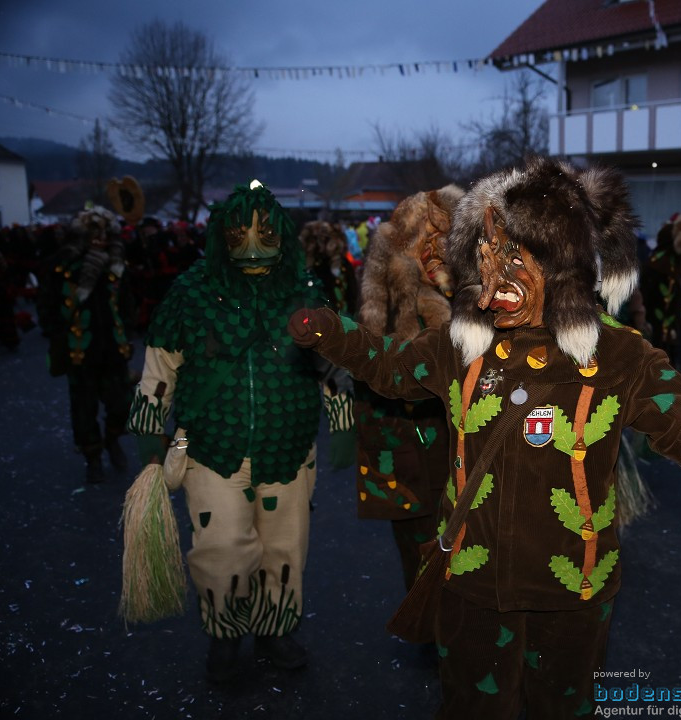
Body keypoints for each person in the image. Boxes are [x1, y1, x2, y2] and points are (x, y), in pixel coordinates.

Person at [290, 156, 681, 719]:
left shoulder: (617, 354)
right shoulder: (462, 342)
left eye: (514, 261)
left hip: (572, 592)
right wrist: (332, 333)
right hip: (473, 583)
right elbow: (392, 368)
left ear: (563, 261)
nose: (494, 288)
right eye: (486, 261)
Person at [126, 181, 354, 683]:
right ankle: (226, 635)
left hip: (290, 450)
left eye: (265, 235)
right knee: (221, 547)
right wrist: (149, 433)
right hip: (207, 449)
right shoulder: (190, 293)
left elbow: (334, 358)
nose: (253, 248)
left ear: (281, 236)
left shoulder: (307, 290)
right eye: (240, 236)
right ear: (222, 238)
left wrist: (343, 423)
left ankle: (274, 628)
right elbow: (160, 365)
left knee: (285, 547)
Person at [353, 185, 462, 590]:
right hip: (408, 433)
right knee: (419, 538)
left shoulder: (477, 287)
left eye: (445, 238)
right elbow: (370, 358)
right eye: (428, 240)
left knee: (468, 535)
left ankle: (457, 628)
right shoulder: (391, 287)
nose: (437, 249)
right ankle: (428, 622)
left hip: (465, 433)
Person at [37, 207, 135, 483]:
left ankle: (113, 439)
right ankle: (93, 456)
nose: (99, 238)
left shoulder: (117, 265)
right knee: (83, 409)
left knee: (121, 404)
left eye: (104, 233)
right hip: (80, 351)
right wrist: (57, 334)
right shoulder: (63, 267)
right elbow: (47, 304)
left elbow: (127, 304)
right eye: (94, 233)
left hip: (114, 350)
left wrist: (127, 331)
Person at [640, 212, 681, 367]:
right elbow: (651, 297)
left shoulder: (666, 264)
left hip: (666, 327)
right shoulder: (661, 266)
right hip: (656, 326)